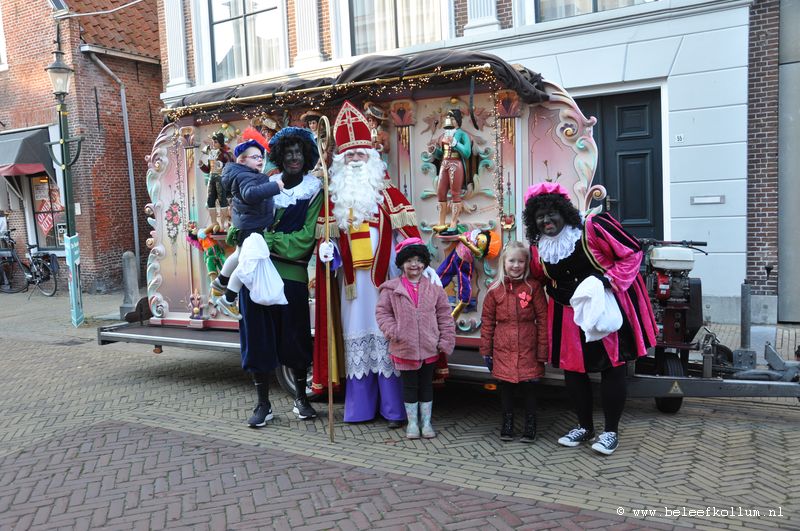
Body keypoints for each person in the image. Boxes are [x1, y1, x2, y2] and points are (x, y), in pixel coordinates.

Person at [313, 100, 434, 428]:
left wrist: (418, 269)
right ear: (340, 161)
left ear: (371, 158)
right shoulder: (332, 200)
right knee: (357, 339)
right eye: (348, 155)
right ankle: (360, 409)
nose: (354, 160)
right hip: (351, 287)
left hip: (386, 284)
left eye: (360, 154)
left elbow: (407, 239)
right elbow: (328, 244)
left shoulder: (389, 195)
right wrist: (327, 251)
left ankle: (395, 410)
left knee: (387, 339)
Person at [522, 181, 658, 455]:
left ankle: (610, 432)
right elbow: (538, 276)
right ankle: (584, 427)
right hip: (567, 313)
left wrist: (606, 280)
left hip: (605, 307)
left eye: (551, 214)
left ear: (564, 211)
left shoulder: (593, 227)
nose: (546, 221)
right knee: (573, 372)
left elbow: (632, 253)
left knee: (611, 367)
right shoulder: (538, 248)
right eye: (539, 217)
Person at [238, 125, 323, 427]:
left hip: (291, 276)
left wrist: (265, 240)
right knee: (257, 338)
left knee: (295, 337)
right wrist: (247, 235)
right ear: (279, 156)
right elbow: (241, 225)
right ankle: (263, 404)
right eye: (288, 152)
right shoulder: (264, 185)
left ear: (307, 155)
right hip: (257, 275)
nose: (294, 157)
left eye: (299, 152)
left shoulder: (314, 192)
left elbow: (305, 238)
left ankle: (301, 399)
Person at [375, 238, 455, 439]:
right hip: (405, 347)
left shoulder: (434, 289)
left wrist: (444, 339)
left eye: (419, 260)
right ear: (402, 263)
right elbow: (383, 313)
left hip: (429, 347)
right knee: (410, 387)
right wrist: (394, 331)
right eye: (410, 260)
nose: (415, 265)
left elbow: (444, 315)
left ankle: (426, 423)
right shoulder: (391, 289)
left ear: (425, 263)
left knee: (426, 386)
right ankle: (412, 424)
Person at [480, 241, 548, 443]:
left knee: (530, 387)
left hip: (528, 345)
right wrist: (486, 350)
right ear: (504, 262)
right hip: (503, 346)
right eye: (512, 261)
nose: (516, 265)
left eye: (521, 261)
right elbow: (487, 322)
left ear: (526, 264)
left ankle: (530, 423)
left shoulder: (533, 287)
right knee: (506, 387)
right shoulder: (495, 290)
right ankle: (507, 423)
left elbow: (543, 319)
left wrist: (543, 351)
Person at [210, 132, 283, 319]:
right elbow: (250, 194)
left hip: (246, 223)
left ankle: (220, 281)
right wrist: (275, 186)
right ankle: (228, 299)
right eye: (255, 157)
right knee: (246, 264)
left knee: (238, 254)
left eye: (261, 156)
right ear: (242, 160)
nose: (260, 160)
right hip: (253, 227)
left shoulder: (241, 174)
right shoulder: (248, 177)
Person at [429, 109, 471, 236]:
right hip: (444, 163)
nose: (450, 121)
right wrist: (434, 151)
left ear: (457, 120)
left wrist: (455, 143)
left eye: (452, 118)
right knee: (440, 192)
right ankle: (441, 222)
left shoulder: (462, 134)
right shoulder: (444, 135)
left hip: (456, 163)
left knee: (454, 192)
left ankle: (453, 223)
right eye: (448, 118)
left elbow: (467, 152)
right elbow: (442, 153)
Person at [199, 132, 234, 232]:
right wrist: (201, 165)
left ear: (220, 143)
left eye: (215, 142)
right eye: (213, 142)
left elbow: (230, 166)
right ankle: (214, 222)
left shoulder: (224, 154)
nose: (213, 144)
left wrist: (221, 165)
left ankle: (223, 224)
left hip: (220, 178)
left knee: (222, 200)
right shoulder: (211, 153)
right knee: (210, 200)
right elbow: (208, 169)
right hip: (211, 178)